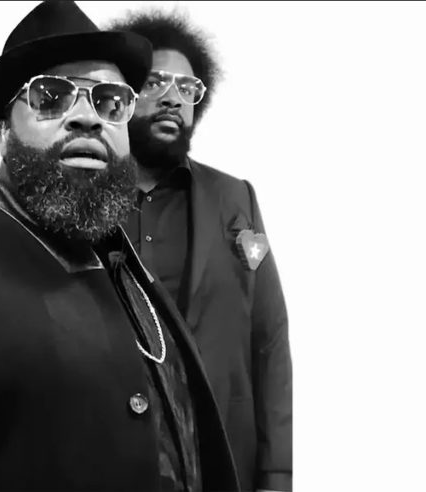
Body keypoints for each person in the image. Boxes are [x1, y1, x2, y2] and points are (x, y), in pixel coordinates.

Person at [0, 2, 240, 491]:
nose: (87, 118)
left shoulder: (130, 269)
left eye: (110, 102)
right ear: (3, 129)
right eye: (51, 96)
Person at [107, 9, 294, 492]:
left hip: (221, 457)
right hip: (111, 454)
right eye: (155, 83)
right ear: (118, 95)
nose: (173, 98)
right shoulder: (83, 199)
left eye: (188, 89)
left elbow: (269, 339)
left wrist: (277, 475)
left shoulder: (236, 201)